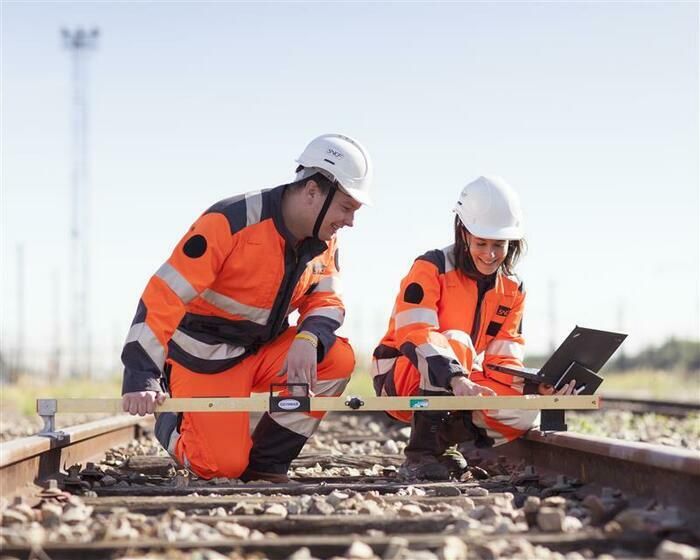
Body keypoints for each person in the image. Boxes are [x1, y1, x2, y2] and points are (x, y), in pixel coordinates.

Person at [120, 133, 372, 482]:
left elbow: (327, 298)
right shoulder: (231, 221)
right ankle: (174, 419)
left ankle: (267, 463)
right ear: (313, 191)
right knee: (220, 466)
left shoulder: (325, 242)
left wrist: (309, 338)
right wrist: (141, 372)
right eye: (346, 208)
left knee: (337, 359)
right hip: (205, 358)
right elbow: (165, 294)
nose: (350, 221)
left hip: (262, 351)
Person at [371, 175, 575, 480]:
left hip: (464, 378)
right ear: (463, 234)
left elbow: (503, 358)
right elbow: (417, 334)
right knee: (455, 342)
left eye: (499, 245)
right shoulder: (431, 267)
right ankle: (420, 455)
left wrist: (537, 387)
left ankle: (444, 443)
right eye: (481, 243)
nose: (490, 255)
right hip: (400, 377)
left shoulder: (513, 288)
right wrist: (455, 377)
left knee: (524, 410)